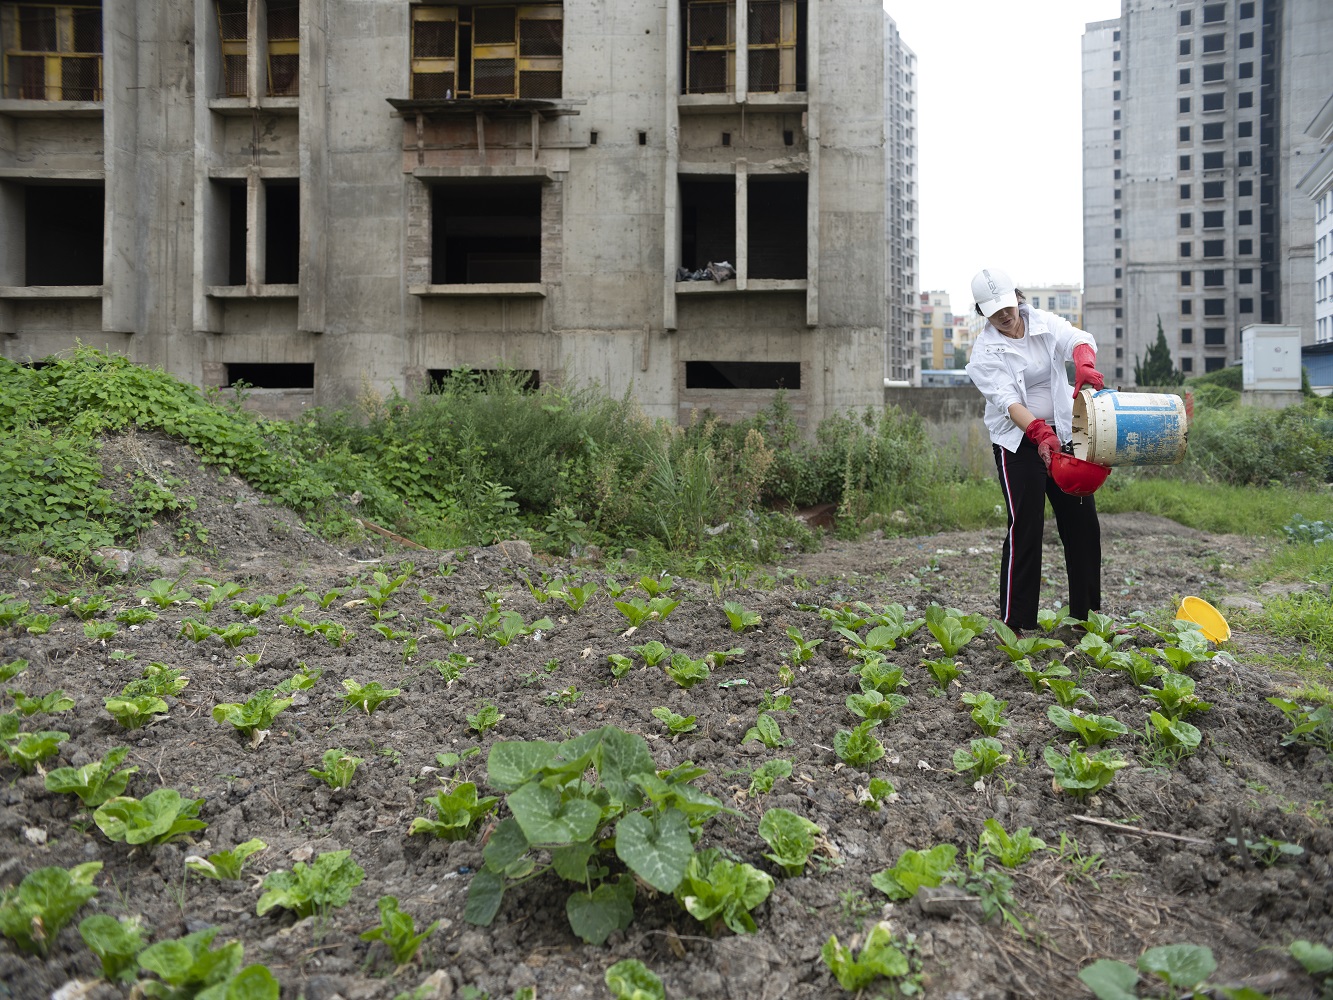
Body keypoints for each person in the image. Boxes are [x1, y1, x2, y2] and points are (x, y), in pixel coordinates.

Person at [964, 267, 1106, 631]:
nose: (1005, 315)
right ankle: (1017, 622)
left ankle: (1086, 619)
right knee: (1026, 527)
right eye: (995, 311)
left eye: (1008, 305)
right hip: (1018, 442)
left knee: (1083, 525)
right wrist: (1039, 433)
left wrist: (1085, 364)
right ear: (983, 312)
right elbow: (1007, 401)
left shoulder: (1041, 322)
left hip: (1064, 434)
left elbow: (1078, 337)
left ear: (1016, 296)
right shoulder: (984, 353)